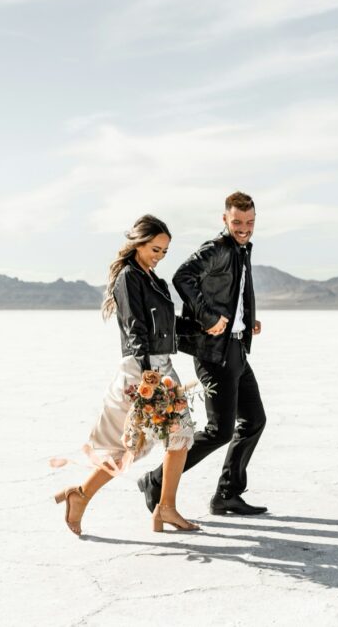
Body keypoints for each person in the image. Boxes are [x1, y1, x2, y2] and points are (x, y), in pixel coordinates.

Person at [52, 215, 200, 535]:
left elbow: (167, 325)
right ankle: (87, 497)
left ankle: (162, 508)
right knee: (152, 442)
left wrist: (208, 328)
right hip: (143, 369)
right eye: (155, 249)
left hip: (160, 367)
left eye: (164, 252)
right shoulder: (128, 278)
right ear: (138, 243)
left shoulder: (154, 280)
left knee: (178, 437)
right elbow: (136, 327)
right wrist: (148, 377)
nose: (159, 256)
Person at [138, 191, 268, 516]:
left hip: (235, 347)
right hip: (214, 354)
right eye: (237, 221)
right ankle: (156, 479)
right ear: (225, 219)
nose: (244, 228)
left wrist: (245, 320)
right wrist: (208, 317)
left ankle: (227, 494)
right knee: (219, 430)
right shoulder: (218, 248)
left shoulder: (241, 250)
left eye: (249, 222)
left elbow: (233, 294)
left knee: (253, 420)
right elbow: (183, 277)